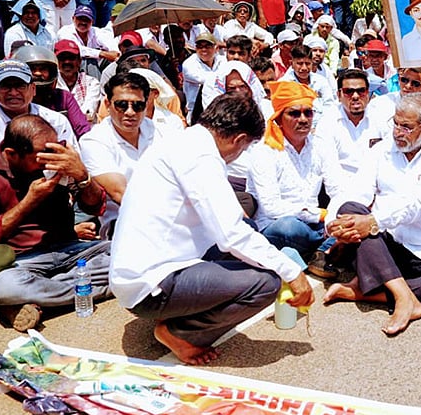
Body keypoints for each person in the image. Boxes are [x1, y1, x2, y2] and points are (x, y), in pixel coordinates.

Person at [110, 93, 315, 365]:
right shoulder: (200, 156)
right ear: (239, 139)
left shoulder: (184, 141)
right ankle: (180, 332)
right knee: (267, 282)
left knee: (253, 238)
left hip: (151, 268)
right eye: (243, 149)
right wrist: (292, 274)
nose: (238, 156)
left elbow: (233, 226)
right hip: (150, 283)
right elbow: (231, 235)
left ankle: (181, 312)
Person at [322, 93, 421, 334]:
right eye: (395, 123)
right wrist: (333, 224)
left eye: (406, 127)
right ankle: (404, 297)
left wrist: (374, 221)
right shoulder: (381, 150)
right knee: (349, 209)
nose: (397, 132)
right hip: (386, 243)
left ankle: (365, 291)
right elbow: (355, 191)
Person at [0, 114, 109, 331]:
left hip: (69, 249)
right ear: (12, 154)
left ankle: (37, 301)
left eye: (53, 149)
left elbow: (94, 208)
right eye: (41, 155)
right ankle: (101, 287)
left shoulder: (56, 163)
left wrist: (83, 177)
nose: (50, 158)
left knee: (128, 252)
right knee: (5, 287)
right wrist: (30, 200)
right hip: (21, 260)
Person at [245, 81, 344, 263]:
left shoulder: (320, 146)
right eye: (294, 113)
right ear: (278, 118)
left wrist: (333, 216)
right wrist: (320, 215)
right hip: (276, 225)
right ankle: (325, 248)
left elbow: (338, 189)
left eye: (308, 112)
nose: (304, 119)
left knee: (352, 214)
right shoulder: (264, 151)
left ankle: (319, 251)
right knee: (289, 227)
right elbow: (272, 207)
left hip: (317, 224)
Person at [79, 72, 161, 237]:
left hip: (169, 216)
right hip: (124, 224)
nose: (130, 112)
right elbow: (120, 194)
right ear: (108, 104)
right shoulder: (94, 141)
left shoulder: (158, 131)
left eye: (138, 106)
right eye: (122, 105)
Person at [0, 60, 76, 158]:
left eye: (20, 86)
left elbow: (71, 162)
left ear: (33, 89)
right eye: (5, 86)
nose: (13, 92)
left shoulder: (56, 121)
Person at [313, 69, 380, 176]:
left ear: (368, 93)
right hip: (342, 185)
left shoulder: (381, 119)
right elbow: (328, 168)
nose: (355, 96)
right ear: (339, 95)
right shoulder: (327, 122)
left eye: (361, 91)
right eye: (348, 92)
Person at [54, 38, 101, 121]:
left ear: (79, 61)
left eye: (71, 58)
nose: (67, 62)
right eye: (62, 58)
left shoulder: (92, 83)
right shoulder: (52, 83)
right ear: (56, 61)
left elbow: (88, 114)